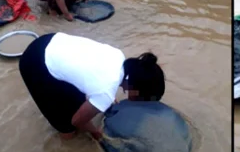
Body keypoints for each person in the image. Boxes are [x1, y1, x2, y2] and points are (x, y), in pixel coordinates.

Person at [19, 32, 165, 141]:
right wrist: (96, 133)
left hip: (49, 41)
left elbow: (95, 75)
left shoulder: (118, 55)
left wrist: (104, 98)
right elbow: (77, 121)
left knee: (77, 105)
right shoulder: (106, 92)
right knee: (68, 130)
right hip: (35, 63)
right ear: (135, 91)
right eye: (143, 99)